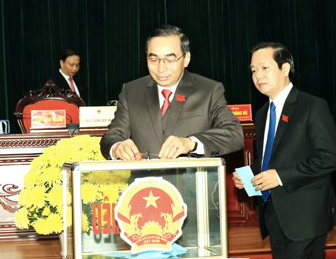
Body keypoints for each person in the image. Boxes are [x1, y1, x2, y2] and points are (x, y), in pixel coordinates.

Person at [233, 42, 336, 259]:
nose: (258, 76)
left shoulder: (312, 105)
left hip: (305, 217)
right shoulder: (263, 113)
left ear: (285, 68)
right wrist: (249, 174)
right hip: (275, 215)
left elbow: (330, 157)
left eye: (264, 68)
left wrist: (280, 177)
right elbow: (268, 158)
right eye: (253, 70)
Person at [100, 25, 243, 160]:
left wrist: (191, 143)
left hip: (193, 177)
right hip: (145, 178)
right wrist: (117, 147)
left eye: (170, 59)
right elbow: (111, 137)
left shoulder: (208, 90)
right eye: (154, 59)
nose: (161, 68)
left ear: (186, 58)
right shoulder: (131, 91)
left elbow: (234, 135)